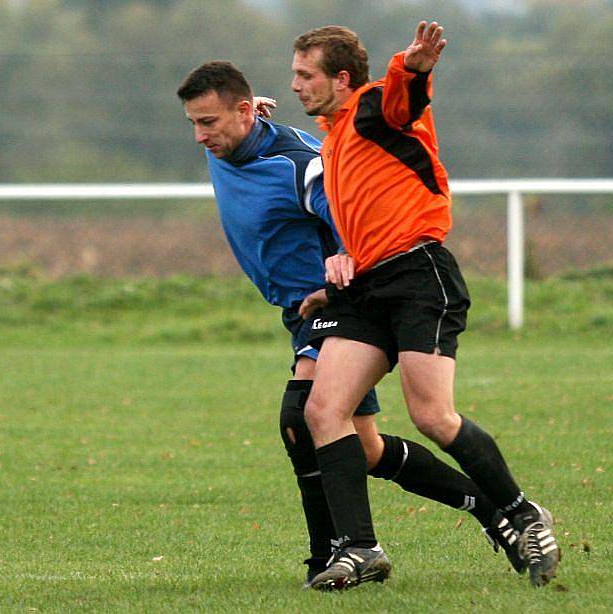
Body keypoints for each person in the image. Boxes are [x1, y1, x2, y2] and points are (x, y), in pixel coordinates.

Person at [176, 60, 524, 588]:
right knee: (363, 448)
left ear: (244, 113)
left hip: (332, 301)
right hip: (296, 312)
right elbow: (243, 127)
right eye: (195, 123)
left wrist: (343, 258)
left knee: (301, 419)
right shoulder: (233, 139)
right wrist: (247, 119)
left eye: (210, 123)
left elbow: (347, 209)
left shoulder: (299, 164)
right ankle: (491, 511)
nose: (201, 136)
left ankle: (336, 555)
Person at [289, 21, 560, 590]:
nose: (295, 84)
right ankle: (360, 549)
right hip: (366, 286)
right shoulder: (336, 133)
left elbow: (399, 100)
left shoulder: (370, 107)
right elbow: (366, 214)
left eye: (304, 75)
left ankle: (520, 512)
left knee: (432, 416)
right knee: (322, 411)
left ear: (341, 78)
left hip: (418, 275)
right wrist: (341, 269)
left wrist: (413, 67)